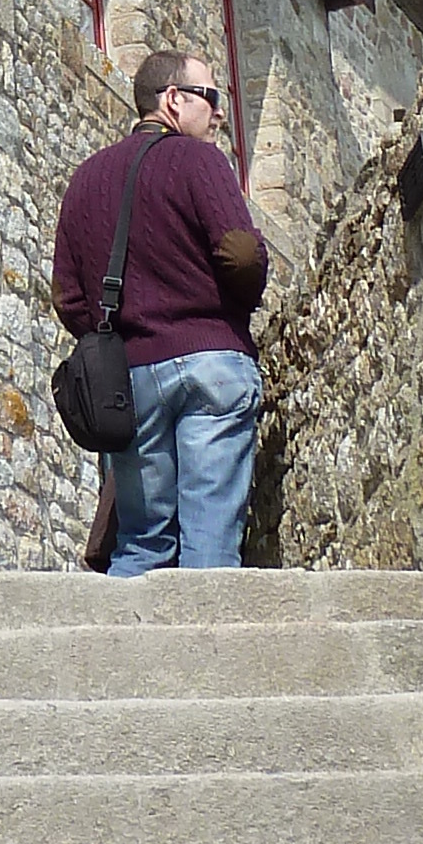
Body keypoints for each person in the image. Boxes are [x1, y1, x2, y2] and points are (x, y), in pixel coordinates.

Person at [51, 50, 270, 574]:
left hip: (131, 381)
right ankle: (207, 653)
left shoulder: (86, 180)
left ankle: (123, 651)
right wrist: (231, 308)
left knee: (142, 542)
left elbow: (66, 296)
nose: (219, 115)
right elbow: (240, 252)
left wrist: (117, 338)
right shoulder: (199, 161)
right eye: (212, 99)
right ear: (174, 99)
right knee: (210, 538)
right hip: (212, 360)